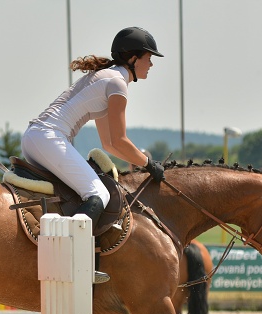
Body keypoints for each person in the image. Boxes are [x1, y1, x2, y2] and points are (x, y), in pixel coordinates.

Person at [21, 26, 166, 284]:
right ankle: (69, 260)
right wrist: (148, 164)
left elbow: (109, 144)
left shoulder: (107, 77)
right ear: (133, 58)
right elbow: (120, 141)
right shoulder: (117, 83)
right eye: (148, 57)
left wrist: (140, 162)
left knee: (86, 190)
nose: (151, 64)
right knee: (98, 193)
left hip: (38, 137)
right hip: (48, 138)